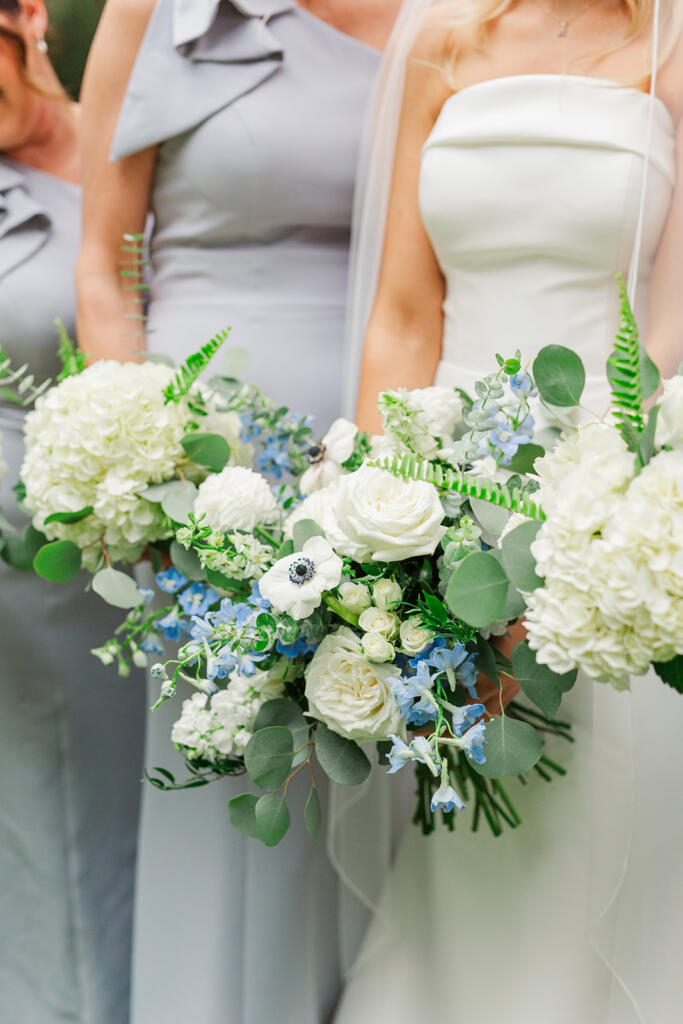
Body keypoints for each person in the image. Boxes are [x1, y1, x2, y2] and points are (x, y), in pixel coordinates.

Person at [335, 0, 683, 1021]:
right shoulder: (438, 44)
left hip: (615, 508)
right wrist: (374, 534)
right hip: (444, 514)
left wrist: (582, 529)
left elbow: (670, 328)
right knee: (478, 841)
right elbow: (401, 319)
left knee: (607, 827)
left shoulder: (671, 42)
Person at [76, 2, 404, 1021]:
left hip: (389, 469)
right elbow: (103, 259)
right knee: (226, 797)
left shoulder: (453, 16)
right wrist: (140, 461)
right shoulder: (151, 11)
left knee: (375, 772)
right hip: (205, 488)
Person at [0, 2, 144, 1022]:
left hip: (185, 539)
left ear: (30, 16)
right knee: (63, 839)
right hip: (34, 572)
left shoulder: (145, 124)